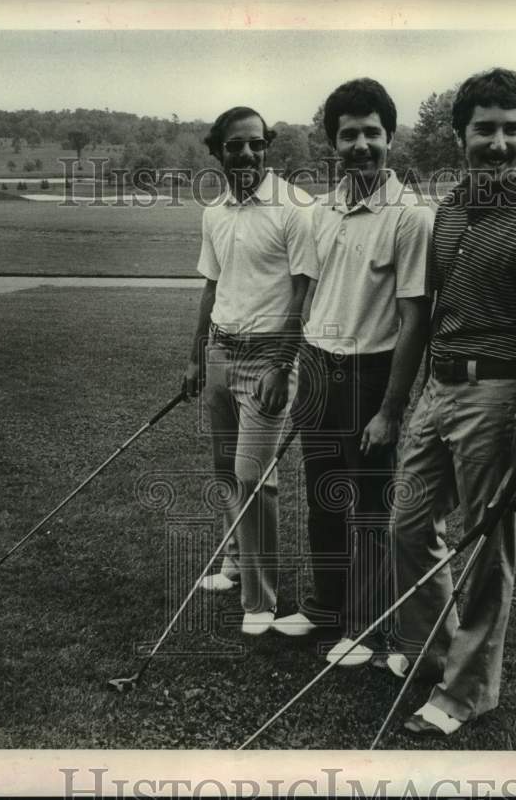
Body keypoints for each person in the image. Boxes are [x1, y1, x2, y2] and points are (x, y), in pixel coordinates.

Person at [388, 68, 516, 738]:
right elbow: (436, 310)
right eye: (485, 129)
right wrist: (413, 397)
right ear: (460, 134)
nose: (499, 143)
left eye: (512, 129)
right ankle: (435, 654)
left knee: (482, 548)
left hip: (497, 394)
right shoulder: (450, 208)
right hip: (439, 388)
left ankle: (466, 692)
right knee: (407, 526)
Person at [272, 78, 432, 665]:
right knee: (322, 495)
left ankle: (365, 625)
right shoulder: (324, 210)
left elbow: (415, 319)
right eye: (348, 135)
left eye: (372, 133)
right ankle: (326, 605)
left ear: (390, 137)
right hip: (319, 364)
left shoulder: (411, 217)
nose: (361, 144)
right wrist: (297, 368)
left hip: (371, 370)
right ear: (332, 143)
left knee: (368, 501)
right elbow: (309, 295)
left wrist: (392, 410)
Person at [182, 106, 319, 635]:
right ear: (218, 151)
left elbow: (303, 293)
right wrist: (196, 355)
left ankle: (261, 602)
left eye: (256, 144)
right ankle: (235, 564)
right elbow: (211, 287)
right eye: (235, 145)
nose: (247, 154)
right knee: (225, 470)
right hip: (220, 351)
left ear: (268, 147)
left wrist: (285, 366)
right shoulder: (214, 212)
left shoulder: (295, 208)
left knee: (254, 477)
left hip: (268, 359)